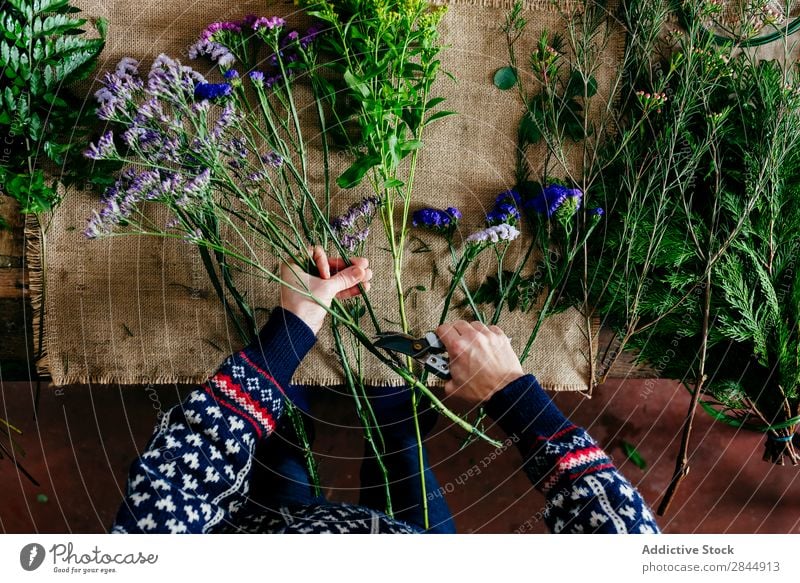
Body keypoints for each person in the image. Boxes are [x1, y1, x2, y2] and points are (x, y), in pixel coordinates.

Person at [111, 247, 660, 534]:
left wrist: (287, 337)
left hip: (266, 535)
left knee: (283, 460)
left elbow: (171, 491)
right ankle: (388, 419)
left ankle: (286, 411)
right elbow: (619, 533)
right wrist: (513, 395)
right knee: (399, 446)